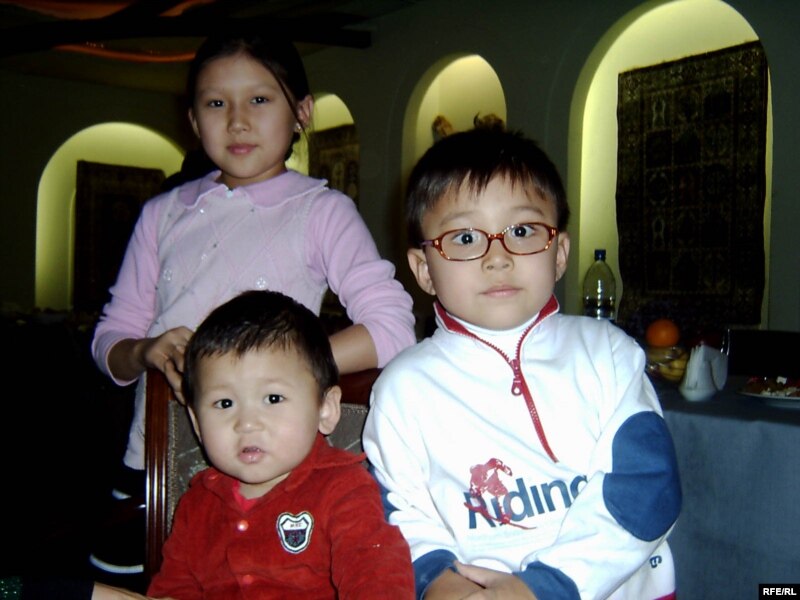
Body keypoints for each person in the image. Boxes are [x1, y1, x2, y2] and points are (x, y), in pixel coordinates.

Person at [90, 32, 415, 583]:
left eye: (259, 99)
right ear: (193, 120)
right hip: (154, 458)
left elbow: (392, 328)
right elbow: (109, 341)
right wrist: (144, 351)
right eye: (216, 103)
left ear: (301, 112)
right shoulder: (162, 215)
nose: (237, 121)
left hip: (272, 471)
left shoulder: (322, 212)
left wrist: (280, 368)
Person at [362, 127, 682, 600]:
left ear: (560, 253)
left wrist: (543, 589)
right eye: (465, 237)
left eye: (522, 231)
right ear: (425, 269)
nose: (498, 258)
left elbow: (647, 489)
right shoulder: (402, 389)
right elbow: (395, 512)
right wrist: (436, 580)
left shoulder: (609, 355)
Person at [146, 290, 415, 598]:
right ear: (196, 423)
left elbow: (377, 577)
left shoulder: (343, 490)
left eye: (273, 398)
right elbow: (173, 589)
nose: (247, 423)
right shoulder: (197, 505)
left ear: (325, 409)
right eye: (224, 403)